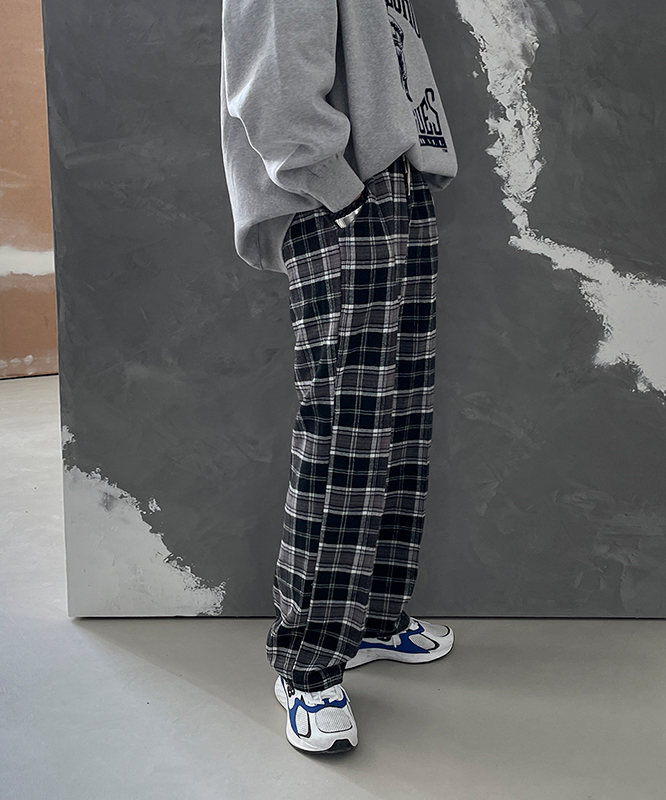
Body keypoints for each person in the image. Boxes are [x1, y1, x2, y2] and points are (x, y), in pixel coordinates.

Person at [220, 0, 458, 755]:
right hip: (341, 192)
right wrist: (336, 187)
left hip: (392, 181)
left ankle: (373, 618)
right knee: (344, 431)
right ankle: (308, 662)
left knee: (399, 416)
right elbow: (272, 77)